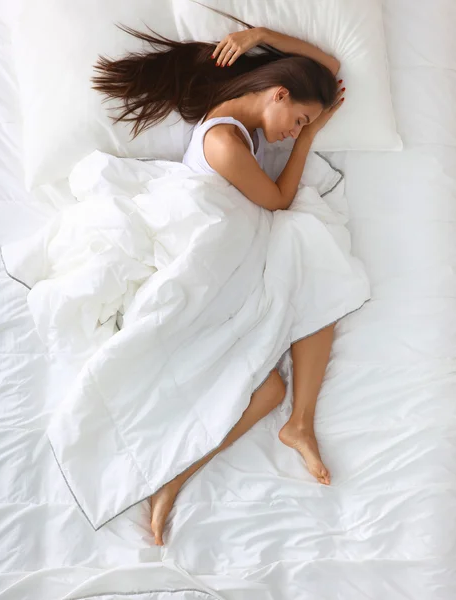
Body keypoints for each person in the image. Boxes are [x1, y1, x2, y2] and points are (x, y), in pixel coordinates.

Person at [93, 22, 346, 545]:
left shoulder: (249, 107)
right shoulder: (227, 141)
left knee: (315, 269)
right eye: (297, 120)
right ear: (278, 94)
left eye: (303, 128)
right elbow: (276, 199)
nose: (295, 131)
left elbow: (332, 69)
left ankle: (297, 425)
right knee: (275, 366)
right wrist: (312, 140)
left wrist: (258, 36)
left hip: (236, 242)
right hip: (216, 257)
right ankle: (174, 479)